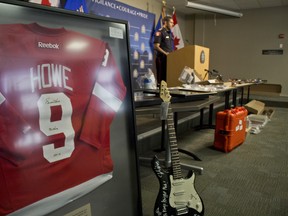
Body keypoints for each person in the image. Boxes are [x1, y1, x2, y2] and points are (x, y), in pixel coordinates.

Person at [154, 15, 174, 84]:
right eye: (171, 22)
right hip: (162, 59)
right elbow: (156, 46)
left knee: (167, 79)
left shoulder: (170, 34)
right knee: (162, 79)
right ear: (165, 23)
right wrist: (166, 54)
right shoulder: (160, 32)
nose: (173, 24)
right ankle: (160, 94)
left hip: (169, 59)